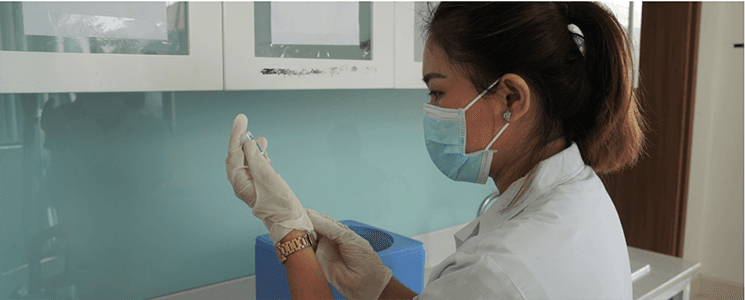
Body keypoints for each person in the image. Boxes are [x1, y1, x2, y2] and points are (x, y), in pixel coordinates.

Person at [225, 2, 645, 299]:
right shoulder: (581, 194)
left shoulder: (499, 273)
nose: (431, 110)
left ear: (511, 99)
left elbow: (488, 288)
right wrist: (378, 285)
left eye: (438, 91)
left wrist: (290, 236)